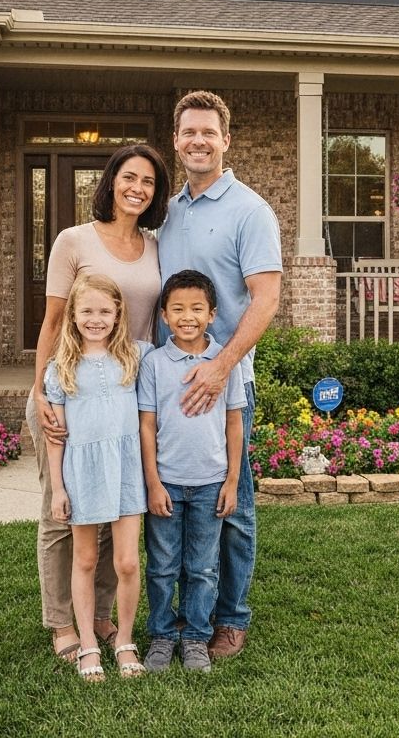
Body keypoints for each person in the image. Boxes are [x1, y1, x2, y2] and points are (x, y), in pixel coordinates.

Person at [27, 143, 170, 664]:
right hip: (68, 388)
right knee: (62, 514)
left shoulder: (156, 246)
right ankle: (63, 622)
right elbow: (52, 321)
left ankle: (104, 615)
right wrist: (43, 389)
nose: (137, 188)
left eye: (149, 182)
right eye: (129, 177)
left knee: (116, 508)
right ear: (109, 181)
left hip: (125, 388)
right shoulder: (74, 240)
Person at [158, 90, 282, 660]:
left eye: (209, 132)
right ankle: (177, 620)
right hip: (169, 383)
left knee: (232, 504)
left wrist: (221, 366)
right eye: (189, 133)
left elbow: (266, 298)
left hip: (225, 384)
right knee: (170, 505)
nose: (199, 141)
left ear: (226, 140)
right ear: (177, 140)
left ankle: (230, 619)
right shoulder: (172, 209)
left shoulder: (250, 210)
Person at [138, 270, 246, 674]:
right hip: (166, 481)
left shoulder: (223, 364)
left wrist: (233, 480)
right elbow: (146, 425)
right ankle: (163, 635)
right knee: (163, 565)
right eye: (178, 309)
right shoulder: (153, 364)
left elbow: (234, 423)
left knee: (202, 567)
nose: (188, 317)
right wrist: (152, 482)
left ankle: (197, 636)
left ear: (212, 315)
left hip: (210, 483)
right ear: (164, 315)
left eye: (197, 309)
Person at [44, 273, 149, 682]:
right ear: (72, 315)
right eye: (87, 311)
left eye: (105, 311)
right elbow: (56, 439)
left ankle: (124, 639)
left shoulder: (135, 357)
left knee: (125, 561)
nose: (96, 319)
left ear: (118, 313)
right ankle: (88, 641)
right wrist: (58, 488)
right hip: (82, 473)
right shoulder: (61, 368)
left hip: (125, 471)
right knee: (85, 559)